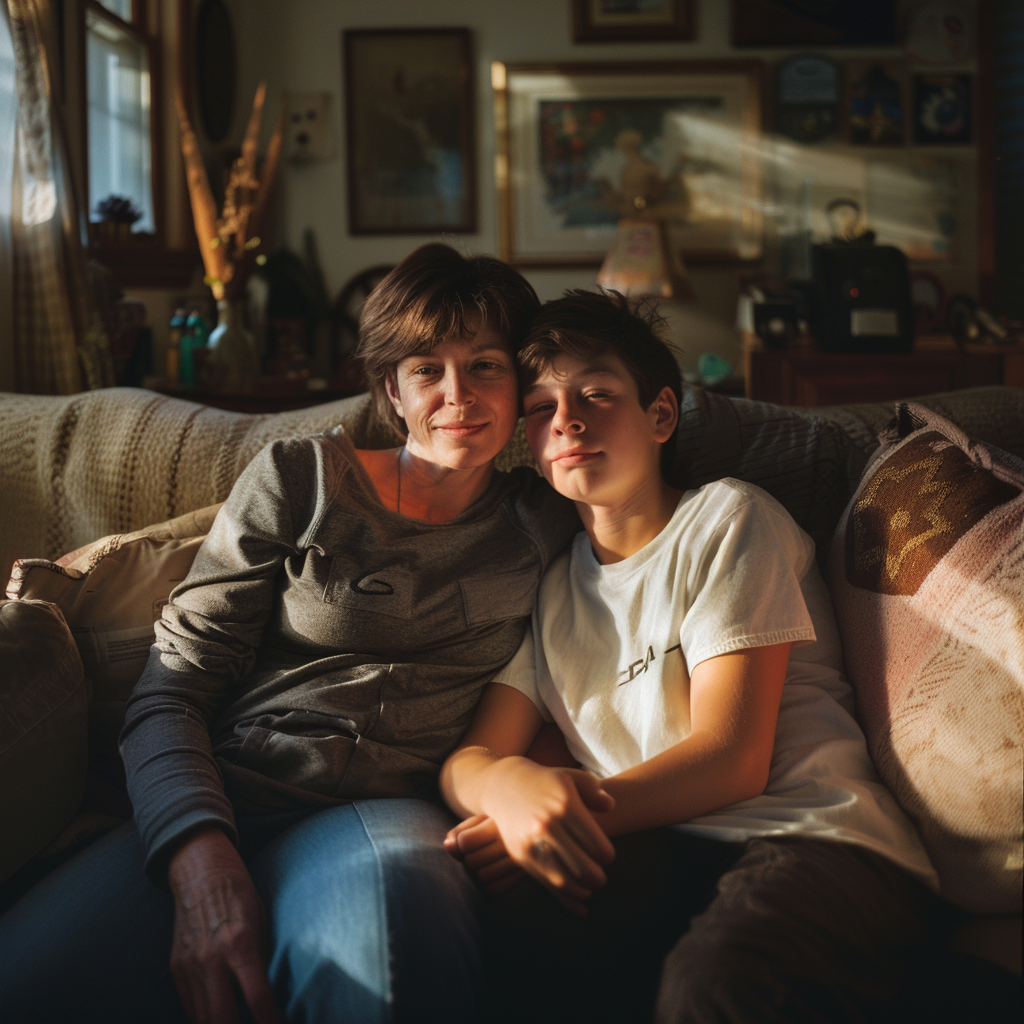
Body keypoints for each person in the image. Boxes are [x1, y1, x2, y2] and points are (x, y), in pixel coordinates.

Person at [0, 244, 579, 1024]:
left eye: (484, 366)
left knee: (387, 957)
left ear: (520, 384)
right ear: (389, 389)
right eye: (426, 370)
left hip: (382, 816)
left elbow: (588, 655)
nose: (457, 395)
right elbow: (171, 687)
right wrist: (197, 856)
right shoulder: (299, 479)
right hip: (224, 792)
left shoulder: (545, 518)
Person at [440, 290, 938, 1024]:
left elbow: (732, 758)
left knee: (717, 986)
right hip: (664, 841)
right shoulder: (549, 588)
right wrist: (509, 788)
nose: (567, 418)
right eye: (542, 408)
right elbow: (470, 758)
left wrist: (572, 814)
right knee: (528, 929)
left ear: (662, 416)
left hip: (815, 835)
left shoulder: (728, 520)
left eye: (597, 394)